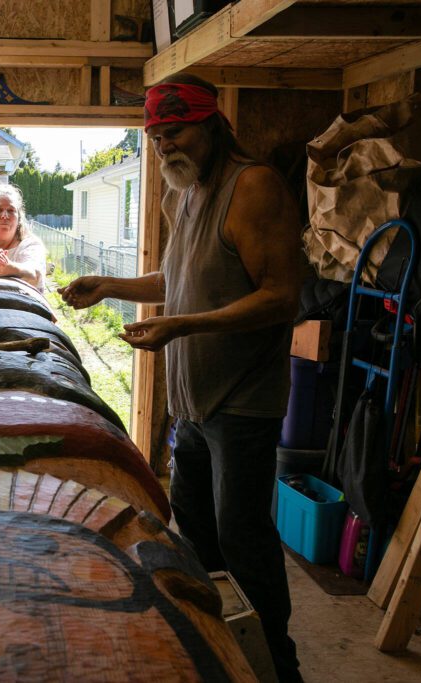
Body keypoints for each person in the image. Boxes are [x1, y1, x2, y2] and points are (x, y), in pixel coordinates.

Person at [58, 74, 305, 682]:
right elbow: (183, 280)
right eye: (158, 138)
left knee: (243, 537)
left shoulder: (253, 188)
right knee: (194, 532)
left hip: (243, 403)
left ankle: (277, 663)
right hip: (195, 404)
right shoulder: (183, 194)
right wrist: (112, 286)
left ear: (213, 125)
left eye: (177, 133)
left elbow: (281, 298)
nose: (167, 147)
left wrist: (183, 327)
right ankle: (221, 645)